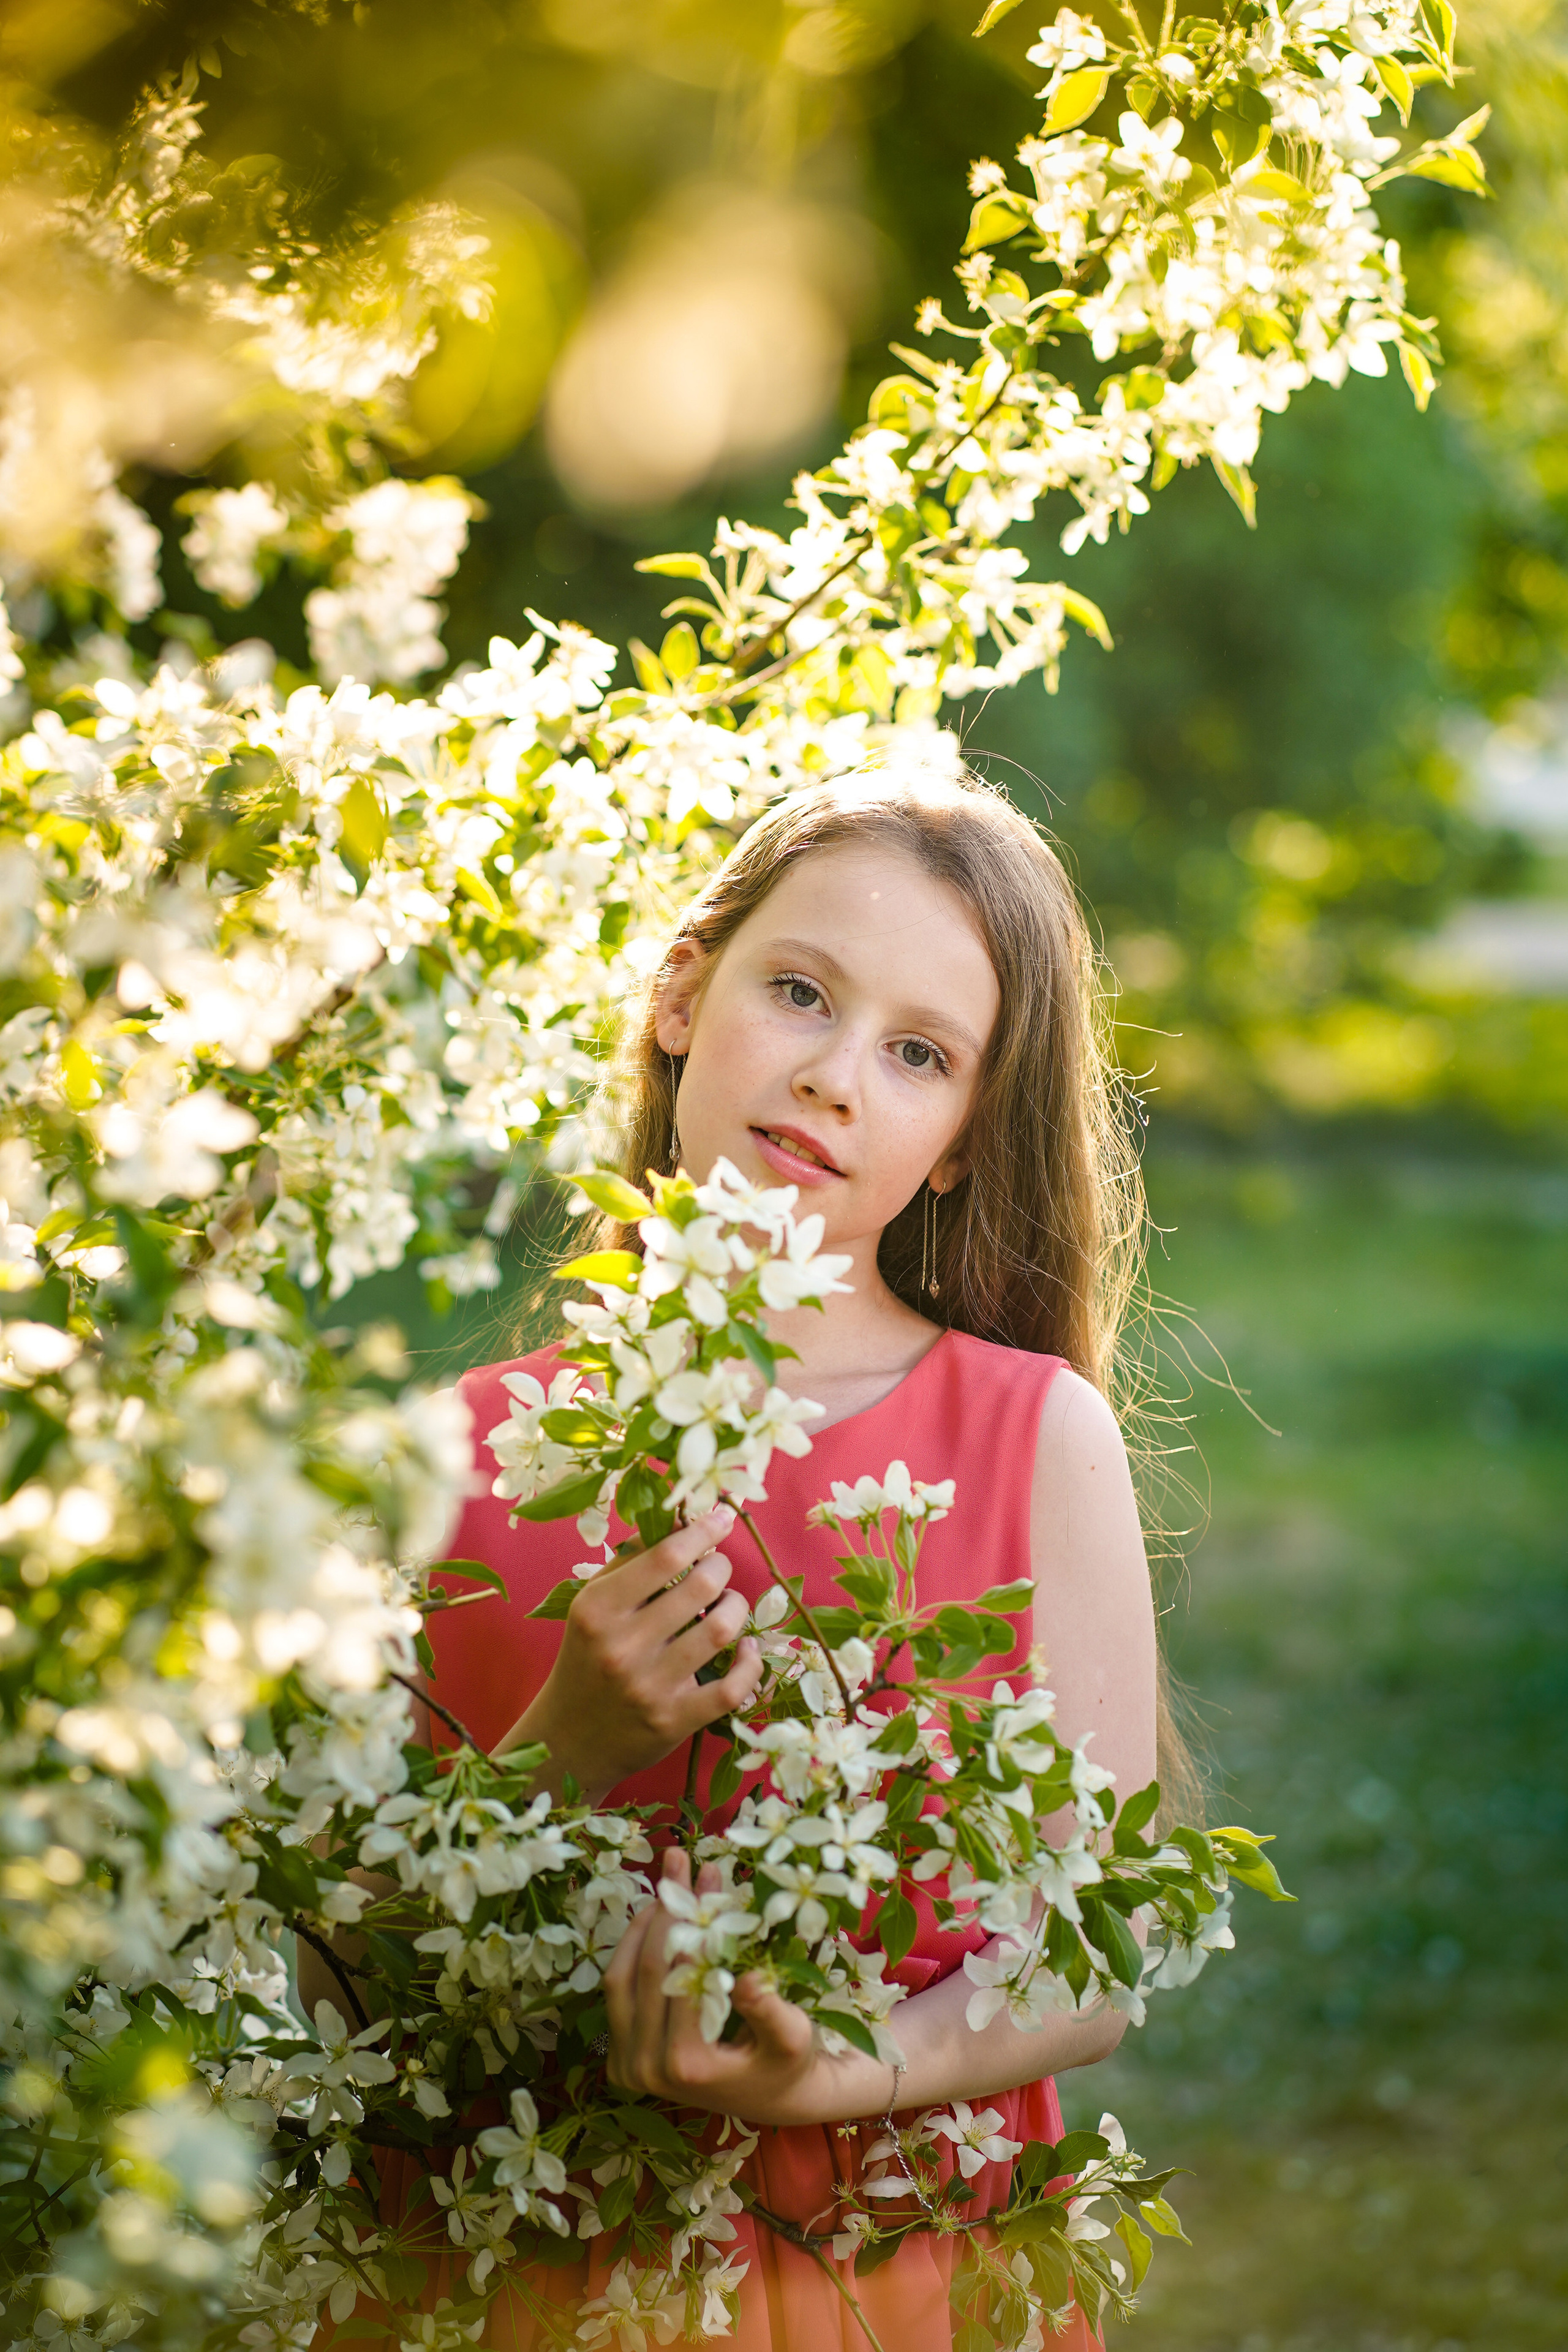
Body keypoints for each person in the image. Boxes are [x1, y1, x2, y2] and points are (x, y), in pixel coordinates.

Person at [310, 764, 1176, 2350]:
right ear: (679, 994)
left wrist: (836, 2072)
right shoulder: (450, 1454)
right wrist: (553, 1758)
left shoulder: (1030, 1436)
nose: (838, 1075)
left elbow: (1086, 1964)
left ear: (966, 1140)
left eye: (920, 1052)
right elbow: (334, 1964)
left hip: (896, 2263)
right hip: (527, 2264)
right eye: (799, 992)